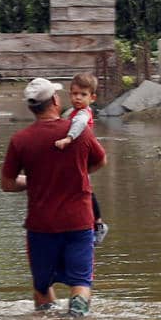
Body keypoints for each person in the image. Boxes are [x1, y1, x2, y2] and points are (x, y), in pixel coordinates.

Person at [2, 77, 107, 316]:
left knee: (42, 287)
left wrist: (37, 180)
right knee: (81, 283)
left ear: (31, 108)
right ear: (56, 101)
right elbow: (101, 161)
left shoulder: (20, 140)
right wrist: (74, 174)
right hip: (79, 222)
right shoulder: (79, 131)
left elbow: (7, 184)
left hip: (41, 226)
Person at [52, 71, 109, 245]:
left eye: (83, 95)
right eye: (75, 94)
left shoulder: (83, 113)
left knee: (86, 190)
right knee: (81, 189)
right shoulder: (72, 111)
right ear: (69, 94)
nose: (78, 98)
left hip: (83, 156)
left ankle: (98, 224)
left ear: (92, 97)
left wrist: (68, 138)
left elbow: (79, 124)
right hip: (76, 157)